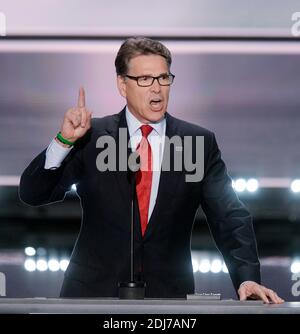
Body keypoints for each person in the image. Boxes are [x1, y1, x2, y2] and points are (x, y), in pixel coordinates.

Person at [19, 37, 283, 303]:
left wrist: (247, 277)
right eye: (145, 79)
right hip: (92, 296)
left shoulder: (198, 143)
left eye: (163, 78)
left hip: (168, 299)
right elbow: (33, 193)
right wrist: (64, 141)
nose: (157, 89)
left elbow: (229, 216)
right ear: (123, 85)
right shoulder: (92, 138)